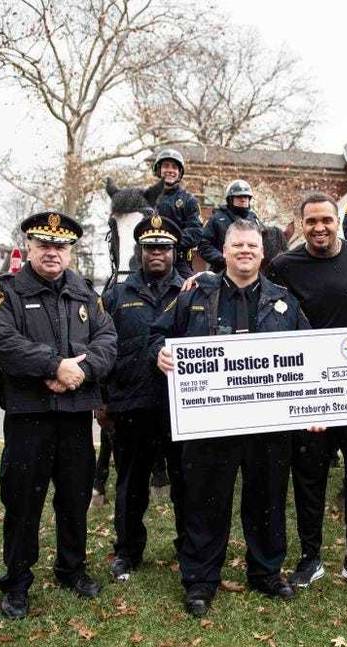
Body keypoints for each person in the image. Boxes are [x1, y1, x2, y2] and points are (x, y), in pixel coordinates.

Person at [150, 220, 311, 617]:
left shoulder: (285, 302)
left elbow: (309, 356)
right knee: (205, 500)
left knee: (268, 499)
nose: (244, 251)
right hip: (209, 423)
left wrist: (315, 405)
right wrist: (160, 353)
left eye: (251, 245)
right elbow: (157, 335)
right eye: (237, 245)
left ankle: (266, 572)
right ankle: (200, 580)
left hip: (268, 425)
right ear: (223, 251)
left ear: (262, 252)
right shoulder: (193, 295)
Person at [0, 211, 119, 619]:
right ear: (29, 246)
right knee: (23, 500)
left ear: (70, 251)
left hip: (75, 415)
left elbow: (108, 340)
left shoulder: (84, 293)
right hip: (29, 416)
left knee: (75, 497)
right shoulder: (7, 293)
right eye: (44, 244)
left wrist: (81, 371)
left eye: (60, 246)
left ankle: (71, 568)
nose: (52, 252)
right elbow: (4, 343)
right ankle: (17, 581)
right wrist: (54, 365)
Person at [266, 192, 347, 594]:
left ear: (338, 221)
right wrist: (202, 277)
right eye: (311, 221)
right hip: (309, 393)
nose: (319, 227)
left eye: (326, 219)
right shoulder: (283, 266)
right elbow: (257, 293)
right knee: (309, 476)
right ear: (301, 224)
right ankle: (311, 557)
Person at [102, 214, 188, 582]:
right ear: (140, 251)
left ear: (174, 252)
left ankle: (188, 548)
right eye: (150, 247)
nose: (157, 253)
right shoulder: (116, 296)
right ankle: (127, 551)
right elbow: (102, 349)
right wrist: (102, 402)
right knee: (130, 484)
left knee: (185, 483)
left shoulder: (190, 292)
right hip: (130, 404)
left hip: (179, 407)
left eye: (164, 248)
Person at [149, 148, 204, 278]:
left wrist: (170, 242)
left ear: (179, 173)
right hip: (147, 260)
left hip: (178, 261)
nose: (170, 170)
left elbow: (196, 231)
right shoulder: (146, 198)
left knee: (191, 289)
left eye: (174, 167)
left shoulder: (189, 200)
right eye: (166, 166)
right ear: (159, 170)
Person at [197, 179, 260, 273]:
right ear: (230, 199)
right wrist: (224, 259)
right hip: (222, 271)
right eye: (239, 196)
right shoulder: (217, 219)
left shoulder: (254, 219)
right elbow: (204, 245)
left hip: (249, 271)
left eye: (246, 197)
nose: (243, 199)